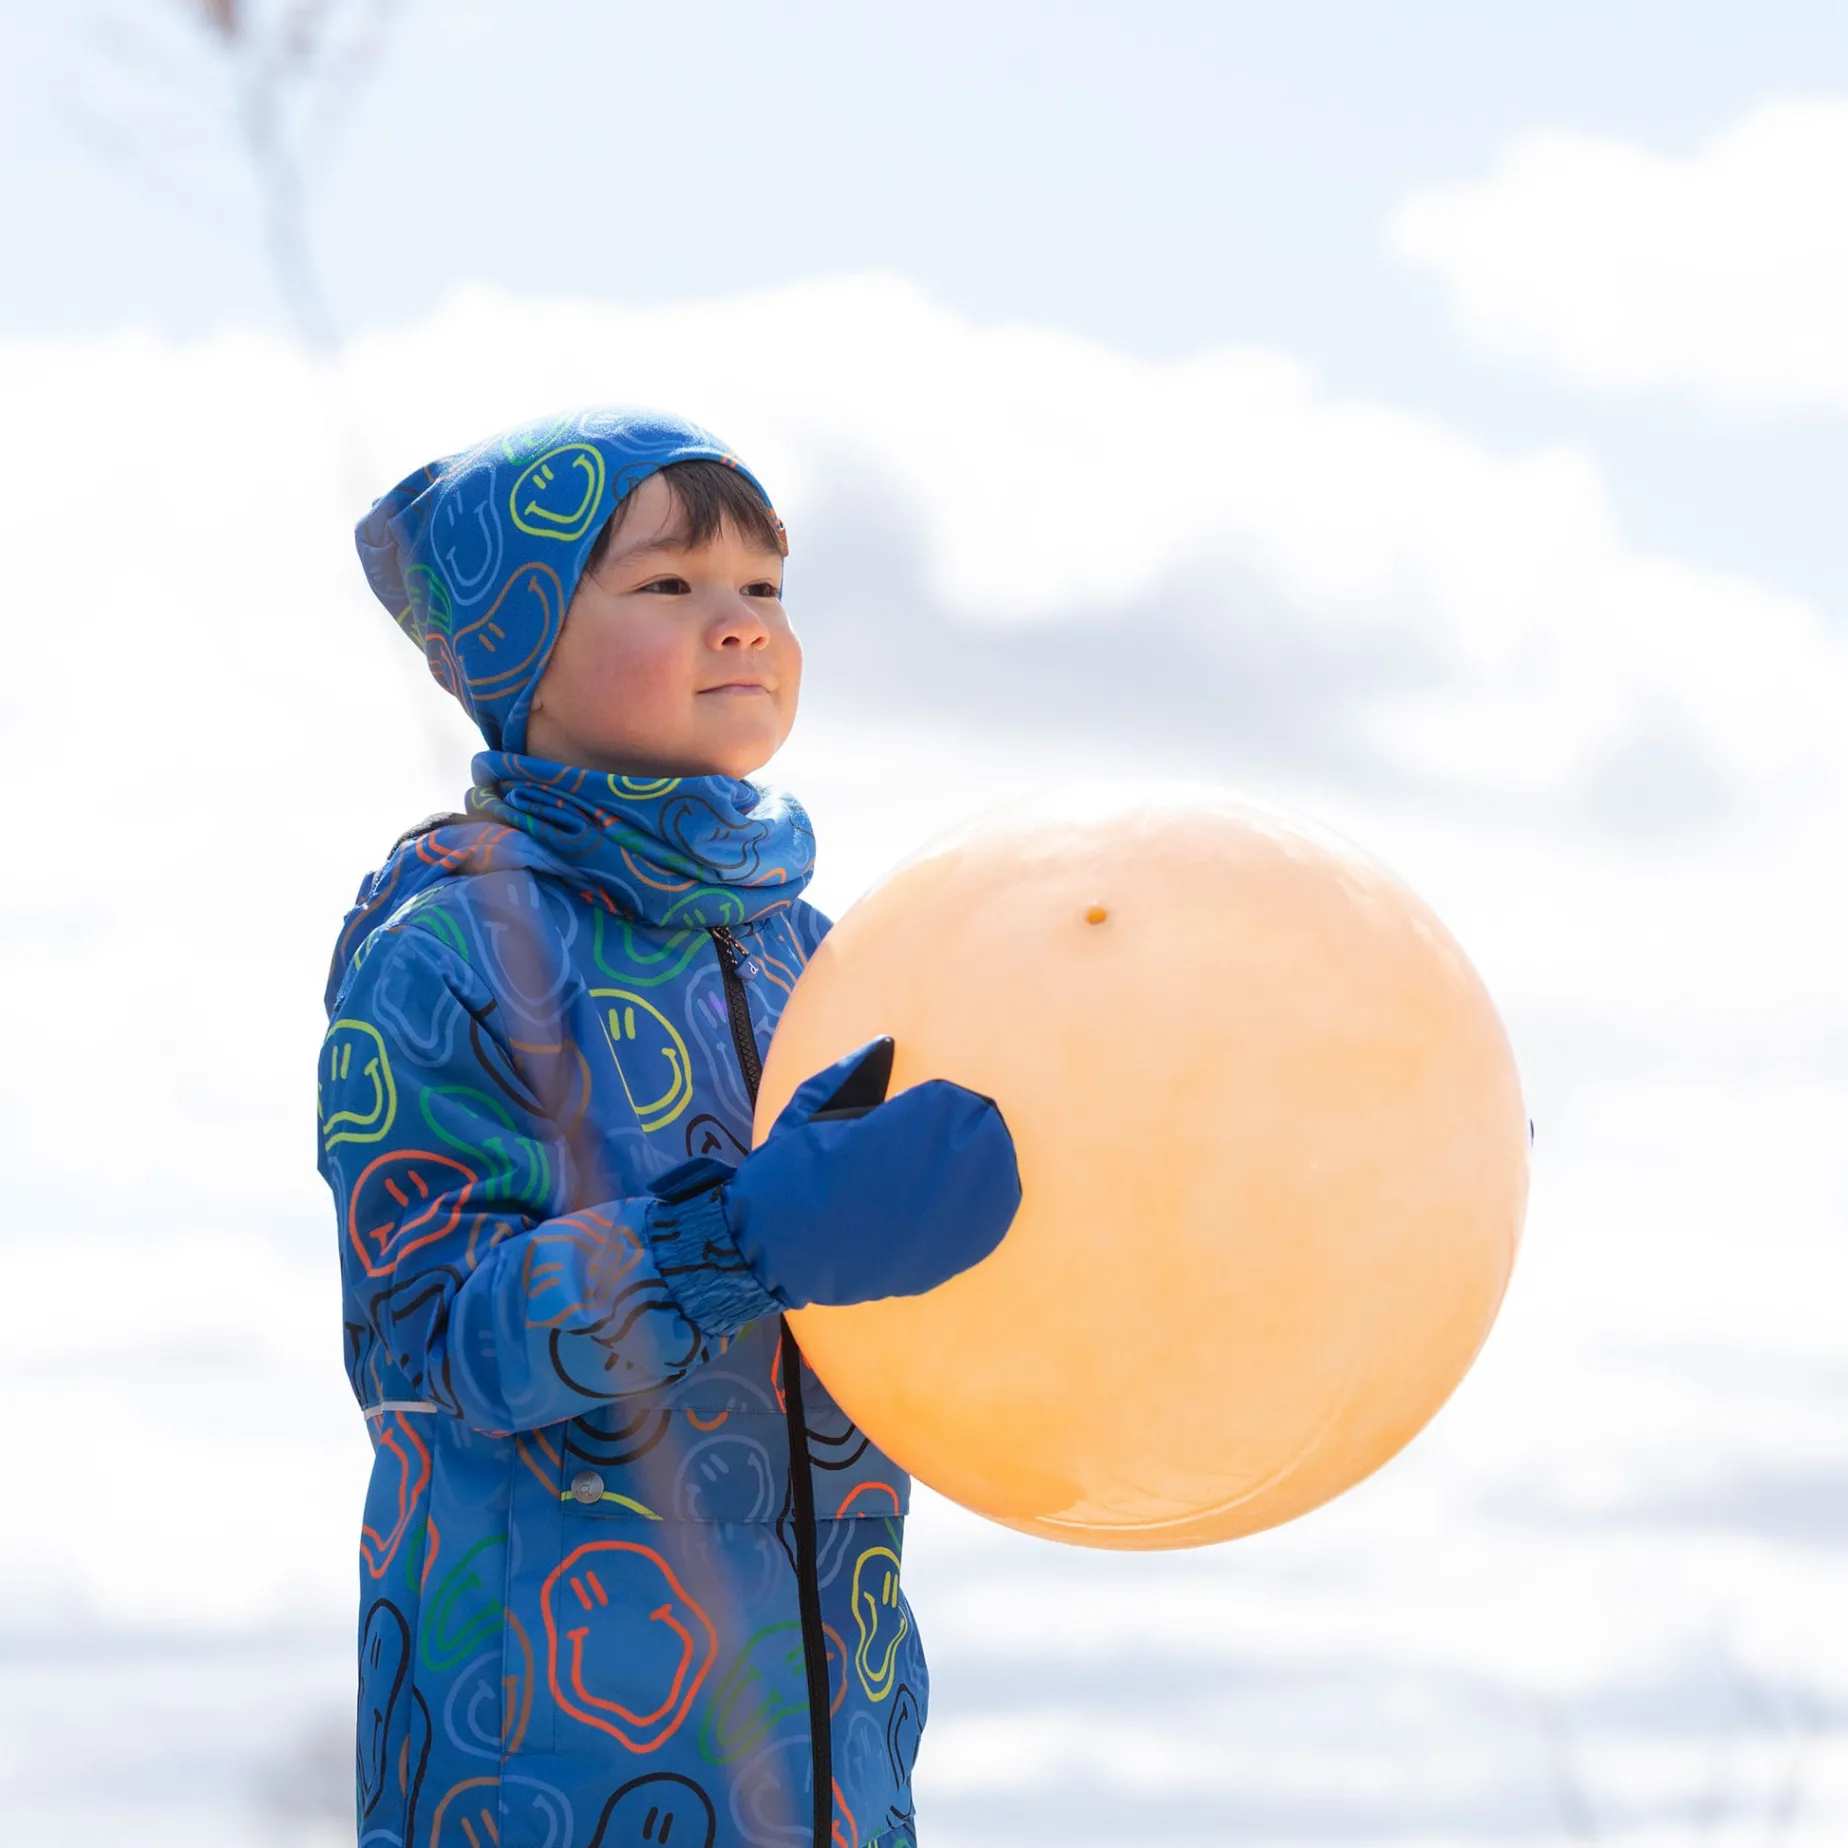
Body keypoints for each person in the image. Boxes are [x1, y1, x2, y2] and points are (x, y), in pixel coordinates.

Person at [318, 408, 1021, 1848]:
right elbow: (435, 1348)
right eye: (668, 584)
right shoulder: (450, 947)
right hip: (539, 1766)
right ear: (520, 648)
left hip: (834, 1753)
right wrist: (742, 1239)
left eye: (764, 585)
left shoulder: (824, 956)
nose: (740, 621)